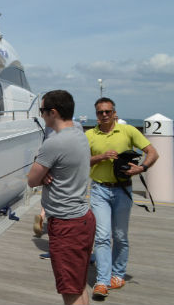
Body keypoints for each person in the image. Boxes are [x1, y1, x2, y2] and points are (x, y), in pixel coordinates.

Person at [28, 90, 95, 305]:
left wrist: (43, 170)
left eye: (42, 111)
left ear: (53, 112)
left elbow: (31, 180)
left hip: (66, 225)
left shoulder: (54, 143)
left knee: (70, 291)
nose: (42, 115)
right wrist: (49, 171)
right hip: (82, 218)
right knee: (78, 285)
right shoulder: (78, 133)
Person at [86, 97, 159, 298]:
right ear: (96, 115)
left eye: (108, 111)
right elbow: (82, 160)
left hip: (123, 190)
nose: (105, 115)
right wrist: (100, 157)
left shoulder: (129, 131)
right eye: (100, 112)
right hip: (100, 189)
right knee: (101, 236)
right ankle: (102, 281)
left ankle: (117, 274)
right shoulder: (90, 135)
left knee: (119, 235)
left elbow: (152, 152)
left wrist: (141, 167)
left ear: (114, 112)